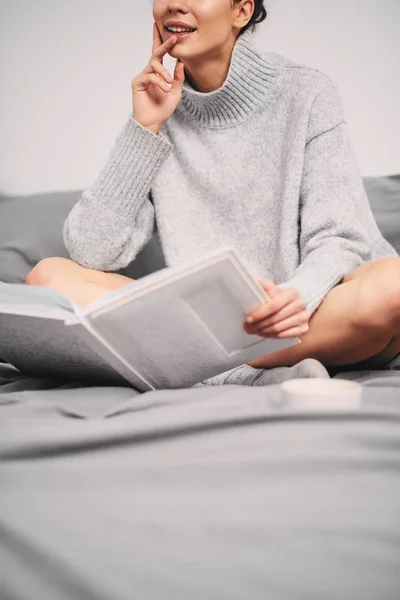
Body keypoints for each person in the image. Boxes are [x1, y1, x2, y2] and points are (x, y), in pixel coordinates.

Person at [25, 0, 400, 385]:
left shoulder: (307, 92)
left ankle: (204, 368)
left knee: (393, 286)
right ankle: (245, 372)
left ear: (241, 12)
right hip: (209, 324)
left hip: (307, 313)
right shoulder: (159, 108)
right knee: (46, 277)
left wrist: (300, 296)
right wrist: (145, 127)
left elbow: (340, 239)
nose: (174, 4)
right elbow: (93, 249)